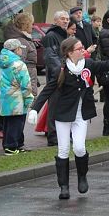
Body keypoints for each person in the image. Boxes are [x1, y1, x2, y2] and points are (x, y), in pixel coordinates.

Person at [27, 37, 109, 199]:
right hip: (63, 114)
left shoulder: (88, 65)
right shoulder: (61, 70)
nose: (82, 50)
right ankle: (64, 187)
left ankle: (82, 177)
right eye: (79, 48)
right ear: (70, 52)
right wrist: (35, 109)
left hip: (81, 114)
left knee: (79, 148)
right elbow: (47, 91)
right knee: (63, 150)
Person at [0, 39, 34, 155]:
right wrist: (29, 97)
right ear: (16, 50)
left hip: (5, 97)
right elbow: (25, 84)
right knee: (17, 123)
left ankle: (13, 144)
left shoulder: (2, 62)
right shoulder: (19, 64)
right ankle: (11, 147)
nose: (21, 51)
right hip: (17, 97)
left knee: (8, 122)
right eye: (20, 48)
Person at [42, 11, 69, 146]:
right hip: (56, 77)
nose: (65, 21)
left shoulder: (65, 35)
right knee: (53, 107)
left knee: (64, 107)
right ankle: (53, 137)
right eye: (62, 19)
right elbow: (51, 57)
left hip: (67, 76)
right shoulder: (51, 35)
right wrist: (61, 72)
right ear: (56, 20)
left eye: (67, 19)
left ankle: (63, 135)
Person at [4, 12, 38, 98]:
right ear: (26, 24)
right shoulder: (21, 41)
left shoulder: (22, 38)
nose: (33, 26)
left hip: (27, 77)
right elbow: (19, 64)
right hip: (26, 81)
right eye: (31, 24)